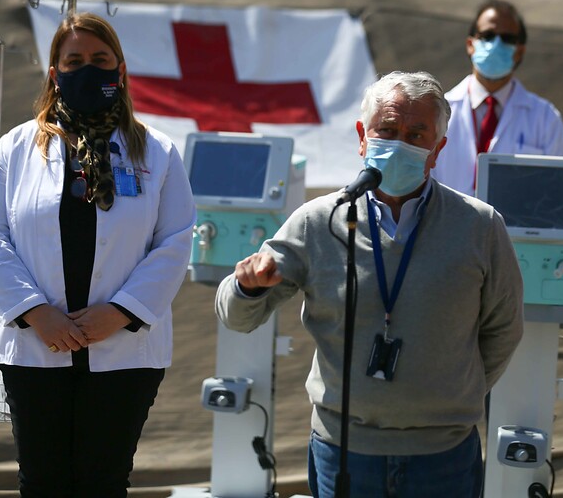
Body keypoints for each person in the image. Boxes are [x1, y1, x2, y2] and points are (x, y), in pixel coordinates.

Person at [215, 71, 524, 498]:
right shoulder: (320, 220)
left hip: (443, 456)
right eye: (388, 130)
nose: (400, 144)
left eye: (416, 135)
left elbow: (503, 329)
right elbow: (237, 317)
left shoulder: (480, 226)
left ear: (438, 149)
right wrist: (247, 287)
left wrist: (451, 393)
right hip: (344, 450)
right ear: (362, 136)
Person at [0, 12, 196, 497]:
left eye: (100, 60)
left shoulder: (157, 152)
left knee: (104, 481)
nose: (88, 70)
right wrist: (36, 313)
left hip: (124, 350)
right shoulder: (15, 149)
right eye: (74, 61)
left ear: (120, 71)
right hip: (35, 347)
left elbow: (175, 240)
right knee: (42, 481)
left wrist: (120, 312)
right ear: (54, 74)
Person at [431, 0, 563, 195]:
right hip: (447, 215)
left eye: (507, 39)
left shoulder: (545, 117)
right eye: (488, 36)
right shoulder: (438, 112)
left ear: (520, 51)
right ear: (470, 44)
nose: (496, 44)